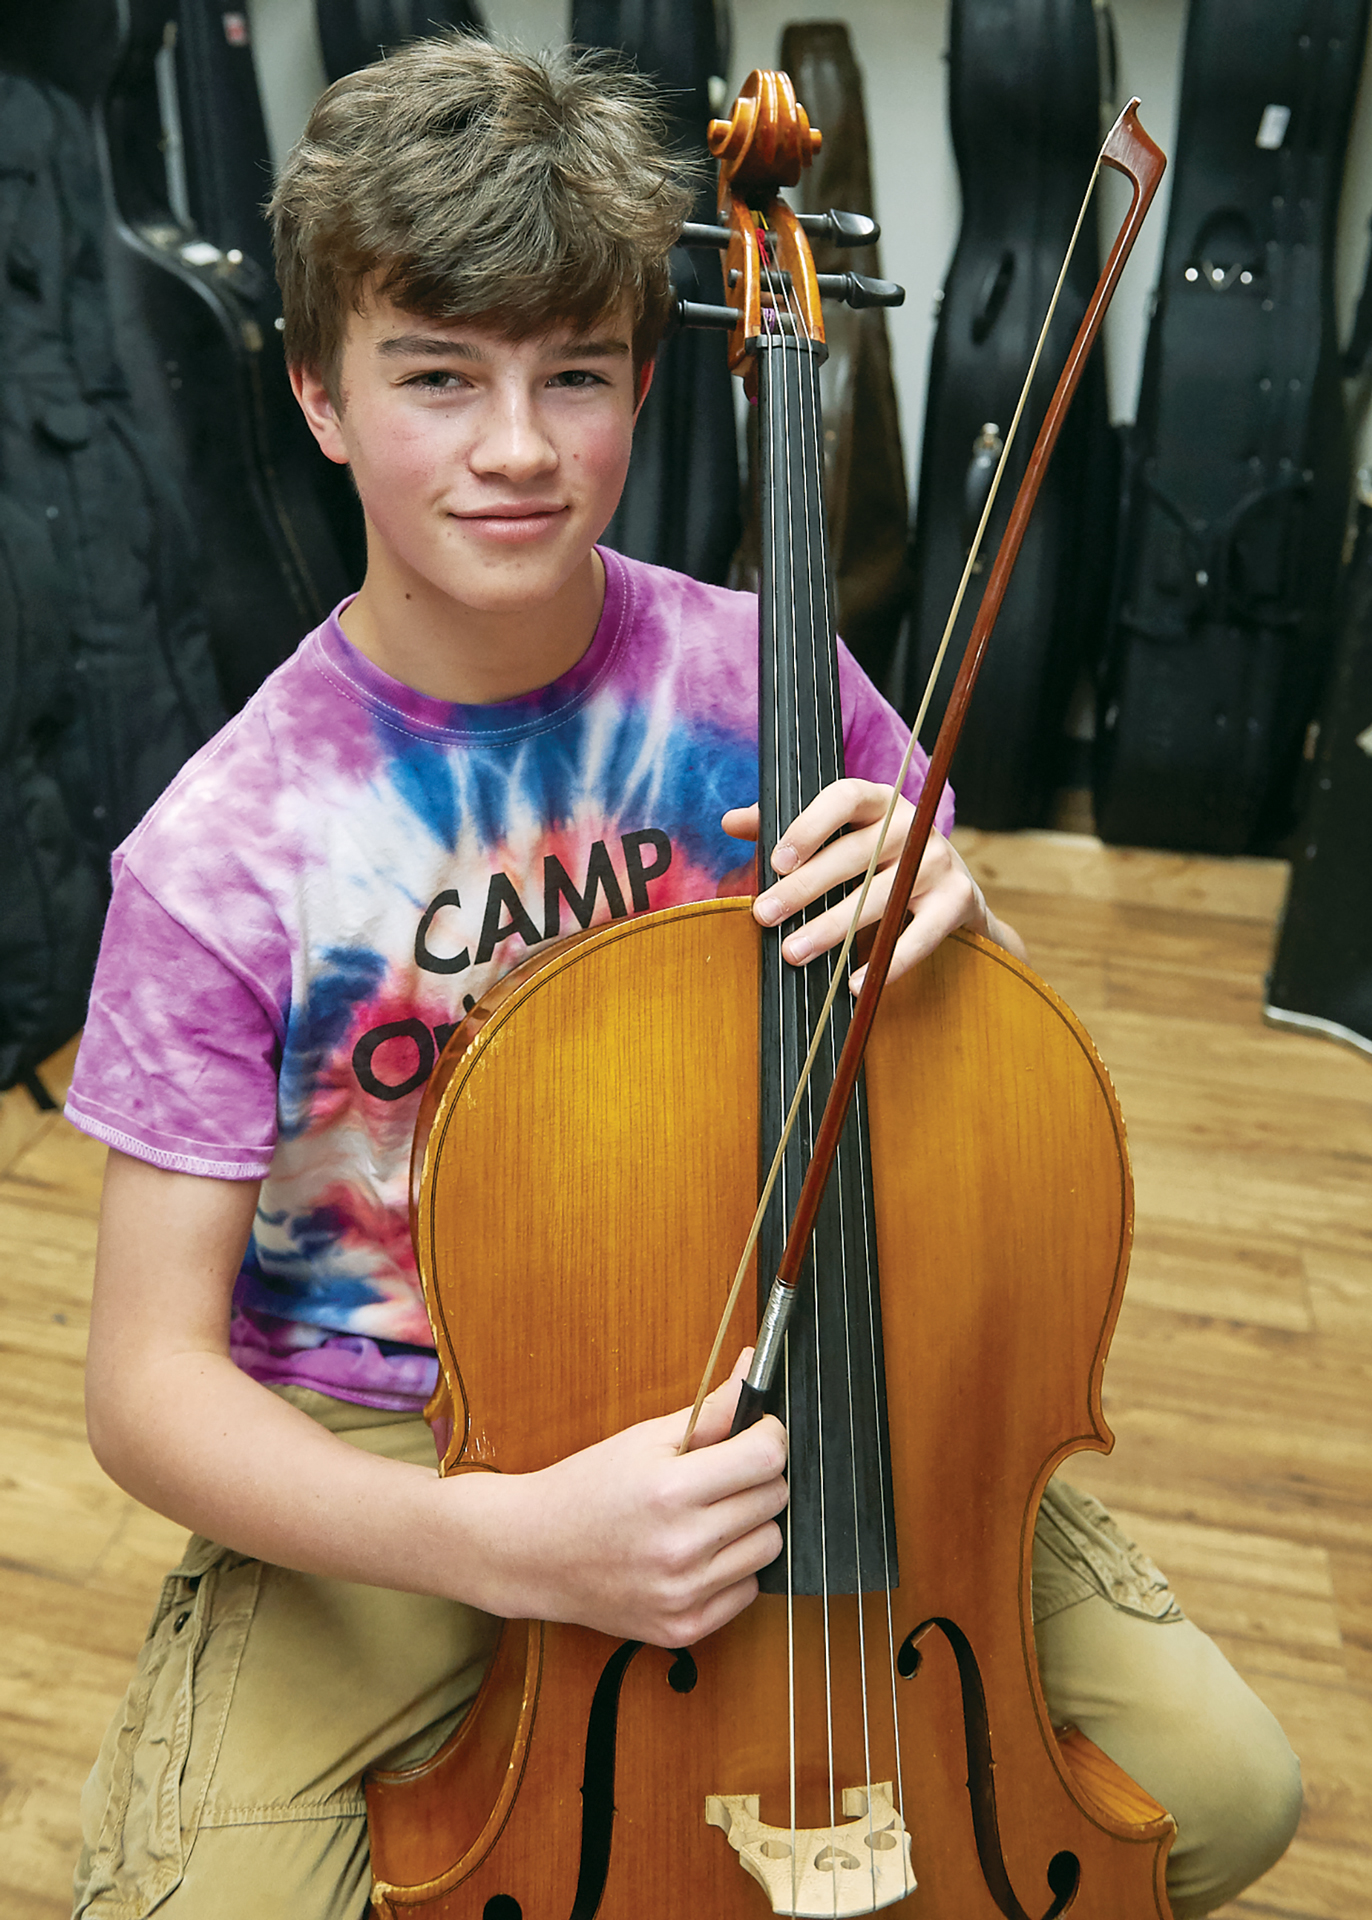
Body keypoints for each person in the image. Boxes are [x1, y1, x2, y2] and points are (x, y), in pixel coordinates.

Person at [66, 34, 1300, 1920]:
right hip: (409, 1433)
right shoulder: (226, 849)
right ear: (318, 393)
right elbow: (148, 1388)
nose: (515, 445)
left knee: (1221, 1796)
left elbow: (998, 1053)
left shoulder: (767, 682)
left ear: (648, 386)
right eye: (436, 377)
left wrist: (954, 914)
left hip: (820, 1376)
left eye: (574, 377)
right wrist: (499, 1541)